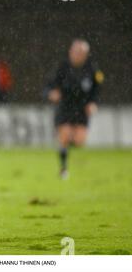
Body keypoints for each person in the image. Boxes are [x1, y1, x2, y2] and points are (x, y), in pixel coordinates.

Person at [46, 39, 104, 179]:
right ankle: (64, 169)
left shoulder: (93, 70)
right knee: (65, 135)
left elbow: (97, 90)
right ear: (70, 52)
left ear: (86, 54)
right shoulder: (62, 67)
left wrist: (93, 103)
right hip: (65, 107)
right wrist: (51, 93)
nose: (77, 55)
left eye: (81, 52)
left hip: (81, 109)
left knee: (79, 141)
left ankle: (63, 144)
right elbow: (48, 86)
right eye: (75, 52)